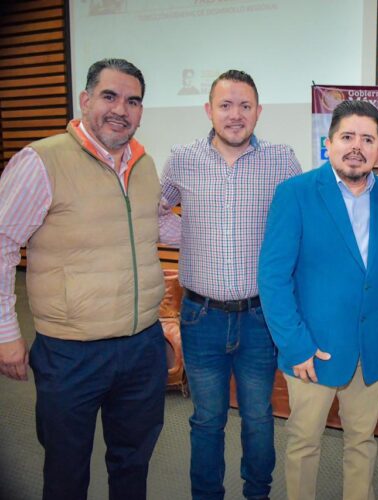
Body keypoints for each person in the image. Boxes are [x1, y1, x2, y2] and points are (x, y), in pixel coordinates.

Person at [0, 58, 179, 500]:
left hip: (142, 345)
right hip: (71, 353)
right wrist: (5, 332)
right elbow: (2, 243)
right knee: (66, 469)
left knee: (133, 463)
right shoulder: (42, 161)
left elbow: (157, 224)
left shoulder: (143, 163)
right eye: (109, 96)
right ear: (85, 100)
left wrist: (229, 230)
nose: (121, 109)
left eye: (132, 101)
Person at [159, 69, 302, 500]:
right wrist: (191, 234)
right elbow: (155, 210)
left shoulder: (282, 160)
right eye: (225, 105)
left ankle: (258, 494)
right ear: (209, 110)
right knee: (207, 419)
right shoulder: (182, 158)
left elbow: (304, 218)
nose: (235, 115)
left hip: (259, 318)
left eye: (244, 106)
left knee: (258, 417)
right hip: (200, 317)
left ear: (259, 111)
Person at [258, 100, 378, 500]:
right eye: (347, 136)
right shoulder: (295, 193)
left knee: (363, 444)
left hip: (369, 350)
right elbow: (273, 278)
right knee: (304, 445)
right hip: (312, 351)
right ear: (329, 142)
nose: (357, 146)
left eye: (367, 139)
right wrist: (295, 345)